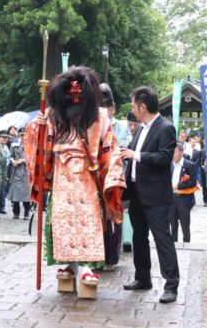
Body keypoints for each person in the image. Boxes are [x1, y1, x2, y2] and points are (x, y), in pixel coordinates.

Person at [24, 66, 125, 294]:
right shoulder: (52, 115)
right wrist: (36, 129)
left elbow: (110, 147)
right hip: (62, 176)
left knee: (88, 221)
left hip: (88, 176)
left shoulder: (100, 116)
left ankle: (88, 266)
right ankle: (69, 266)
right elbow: (39, 143)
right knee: (63, 221)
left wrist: (111, 174)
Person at [120, 86, 180, 304]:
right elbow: (133, 152)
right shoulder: (141, 128)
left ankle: (171, 285)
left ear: (143, 107)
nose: (133, 110)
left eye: (134, 106)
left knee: (162, 238)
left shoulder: (166, 128)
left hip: (156, 194)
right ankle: (142, 277)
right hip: (136, 191)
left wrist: (136, 155)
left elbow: (164, 158)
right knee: (139, 237)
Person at [98, 83, 127, 269]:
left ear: (113, 108)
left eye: (106, 108)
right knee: (98, 218)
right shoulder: (93, 122)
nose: (102, 111)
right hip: (98, 175)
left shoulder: (122, 126)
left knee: (113, 216)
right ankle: (98, 257)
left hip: (115, 175)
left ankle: (112, 257)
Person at [170, 142, 198, 243]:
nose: (172, 154)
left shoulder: (189, 165)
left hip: (184, 198)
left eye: (175, 152)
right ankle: (174, 242)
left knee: (185, 223)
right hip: (172, 198)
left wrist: (178, 185)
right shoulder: (170, 165)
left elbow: (193, 182)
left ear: (181, 152)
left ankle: (186, 243)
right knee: (173, 223)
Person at [7, 128, 31, 219]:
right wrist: (13, 160)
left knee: (26, 195)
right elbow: (10, 156)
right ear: (19, 135)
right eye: (21, 134)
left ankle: (26, 213)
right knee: (16, 194)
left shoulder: (31, 145)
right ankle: (16, 213)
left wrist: (23, 160)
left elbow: (34, 159)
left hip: (26, 171)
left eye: (24, 134)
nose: (23, 136)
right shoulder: (14, 145)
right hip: (16, 171)